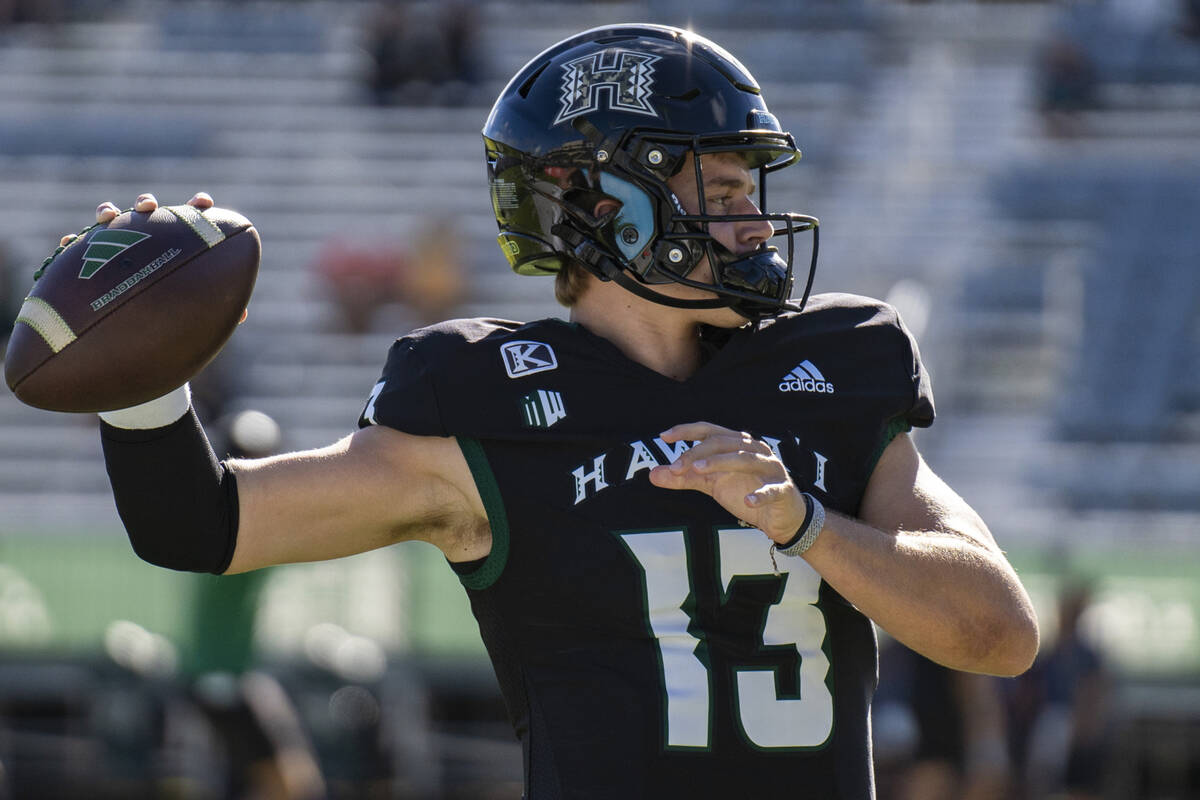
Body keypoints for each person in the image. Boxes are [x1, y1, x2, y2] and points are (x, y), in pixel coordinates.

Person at [80, 24, 1038, 798]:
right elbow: (197, 525)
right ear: (615, 201)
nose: (757, 224)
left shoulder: (836, 361)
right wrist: (140, 377)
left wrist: (809, 524)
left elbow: (999, 634)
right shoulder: (484, 399)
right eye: (730, 189)